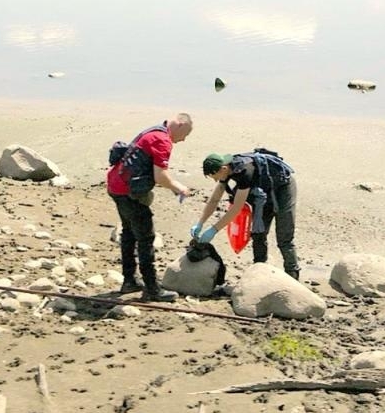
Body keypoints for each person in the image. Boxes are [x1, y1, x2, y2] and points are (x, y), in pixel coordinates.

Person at [106, 114, 193, 302]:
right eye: (185, 135)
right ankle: (152, 289)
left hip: (116, 184)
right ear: (179, 125)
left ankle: (129, 281)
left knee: (129, 233)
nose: (183, 140)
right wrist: (179, 188)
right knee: (146, 239)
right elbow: (160, 176)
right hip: (128, 192)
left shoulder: (153, 131)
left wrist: (171, 187)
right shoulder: (163, 140)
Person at [194, 149, 300, 280]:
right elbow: (214, 199)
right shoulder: (226, 169)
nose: (216, 180)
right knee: (258, 233)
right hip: (263, 195)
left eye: (215, 176)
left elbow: (236, 208)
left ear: (223, 168)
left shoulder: (244, 172)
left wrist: (214, 230)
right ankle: (259, 270)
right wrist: (200, 223)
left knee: (284, 237)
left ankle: (292, 274)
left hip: (283, 189)